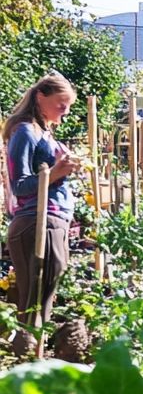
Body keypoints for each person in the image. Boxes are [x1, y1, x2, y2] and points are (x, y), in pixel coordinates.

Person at [4, 73, 81, 342]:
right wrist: (57, 171)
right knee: (35, 298)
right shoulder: (25, 131)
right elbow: (20, 185)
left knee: (43, 294)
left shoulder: (43, 133)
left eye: (69, 105)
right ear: (41, 97)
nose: (66, 111)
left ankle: (31, 352)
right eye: (61, 104)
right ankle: (27, 355)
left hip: (51, 221)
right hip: (36, 222)